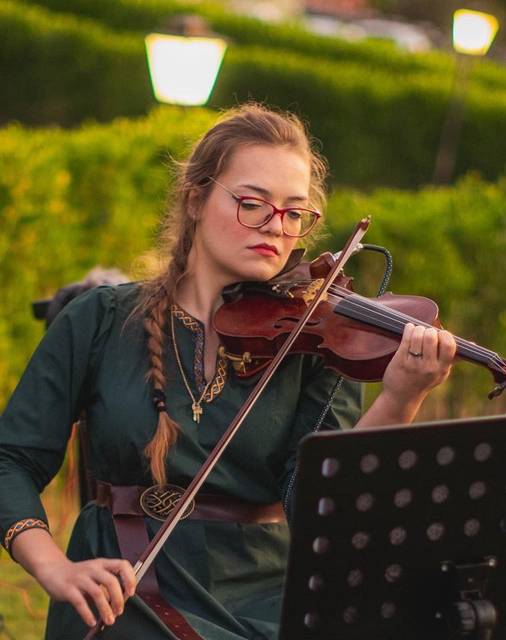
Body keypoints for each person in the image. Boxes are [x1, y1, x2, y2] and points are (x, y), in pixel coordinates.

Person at [0, 103, 457, 639]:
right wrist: (54, 567)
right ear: (196, 199)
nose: (275, 227)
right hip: (128, 583)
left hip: (269, 599)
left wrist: (399, 400)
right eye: (252, 204)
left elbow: (320, 510)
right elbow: (11, 459)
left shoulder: (316, 345)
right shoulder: (100, 320)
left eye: (294, 213)